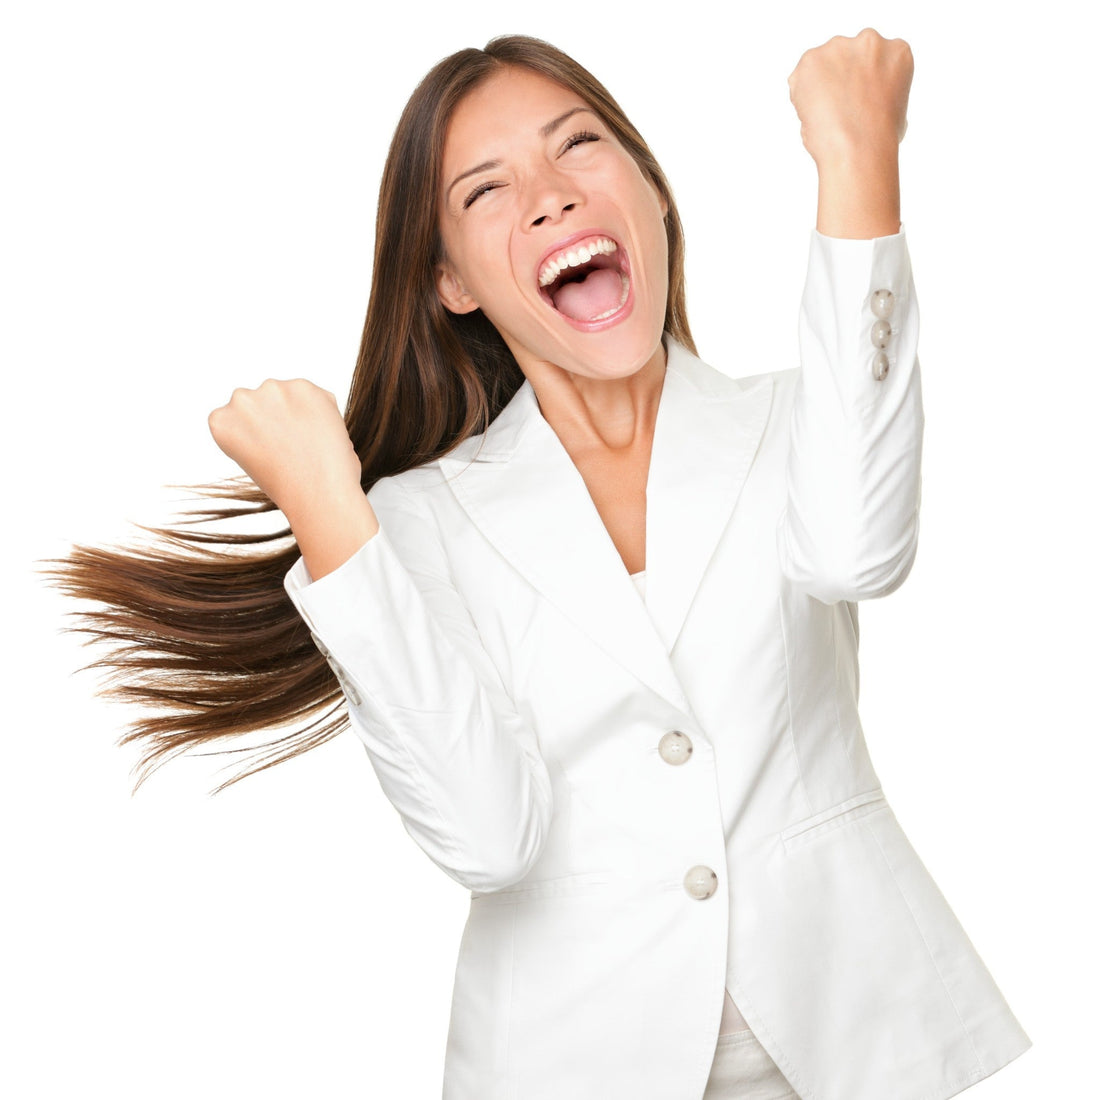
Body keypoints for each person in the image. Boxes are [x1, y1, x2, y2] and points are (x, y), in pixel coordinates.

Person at [52, 30, 1032, 1100]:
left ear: (653, 198)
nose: (550, 196)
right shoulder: (412, 522)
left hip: (854, 1040)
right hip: (569, 1061)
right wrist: (331, 514)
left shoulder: (798, 420)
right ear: (452, 283)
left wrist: (858, 160)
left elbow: (859, 549)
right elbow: (486, 833)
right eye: (485, 191)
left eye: (579, 145)